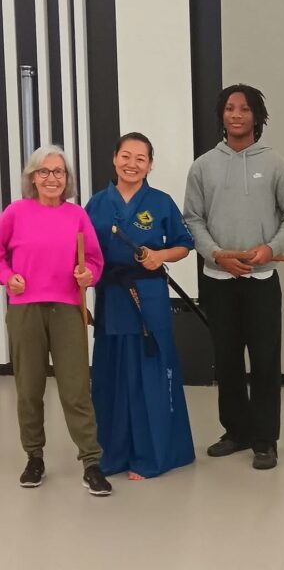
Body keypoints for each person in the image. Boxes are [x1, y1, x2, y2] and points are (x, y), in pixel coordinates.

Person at [184, 84, 284, 470]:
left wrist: (271, 248)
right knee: (228, 360)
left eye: (245, 108)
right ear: (222, 115)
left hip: (262, 280)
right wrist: (216, 254)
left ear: (257, 116)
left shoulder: (276, 164)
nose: (236, 115)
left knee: (266, 360)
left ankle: (265, 440)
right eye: (230, 108)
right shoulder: (203, 166)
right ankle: (236, 432)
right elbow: (193, 219)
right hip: (218, 279)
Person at [0, 145, 111, 495]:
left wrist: (87, 274)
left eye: (58, 172)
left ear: (67, 179)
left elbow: (94, 260)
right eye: (44, 172)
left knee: (76, 389)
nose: (52, 178)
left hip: (67, 309)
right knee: (29, 389)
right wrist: (8, 277)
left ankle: (91, 462)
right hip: (25, 309)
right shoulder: (15, 212)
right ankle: (34, 457)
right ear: (33, 178)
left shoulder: (76, 215)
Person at [86, 132, 195, 480]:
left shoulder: (160, 202)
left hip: (149, 297)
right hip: (112, 296)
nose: (132, 164)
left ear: (150, 165)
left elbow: (184, 244)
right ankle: (114, 454)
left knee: (149, 374)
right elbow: (84, 253)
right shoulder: (96, 204)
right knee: (112, 376)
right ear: (114, 158)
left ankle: (152, 456)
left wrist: (160, 256)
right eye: (126, 156)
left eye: (140, 158)